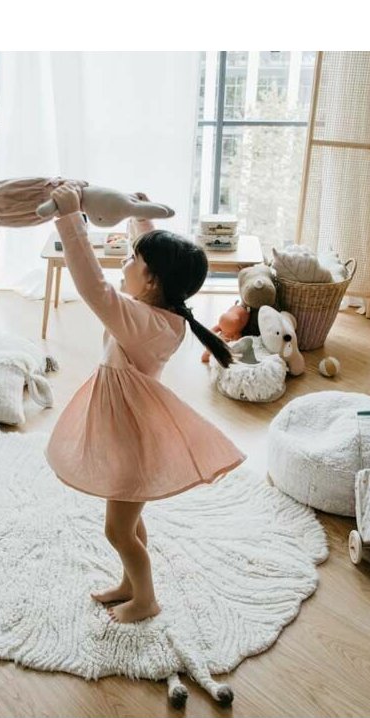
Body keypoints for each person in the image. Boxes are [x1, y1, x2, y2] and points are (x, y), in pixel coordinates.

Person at [45, 182, 246, 623]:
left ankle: (146, 600)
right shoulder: (163, 313)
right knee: (129, 523)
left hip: (130, 440)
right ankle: (130, 584)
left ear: (152, 279)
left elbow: (93, 287)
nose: (124, 262)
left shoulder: (141, 321)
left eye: (132, 259)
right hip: (125, 431)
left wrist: (70, 221)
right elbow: (159, 260)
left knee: (117, 531)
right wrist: (140, 216)